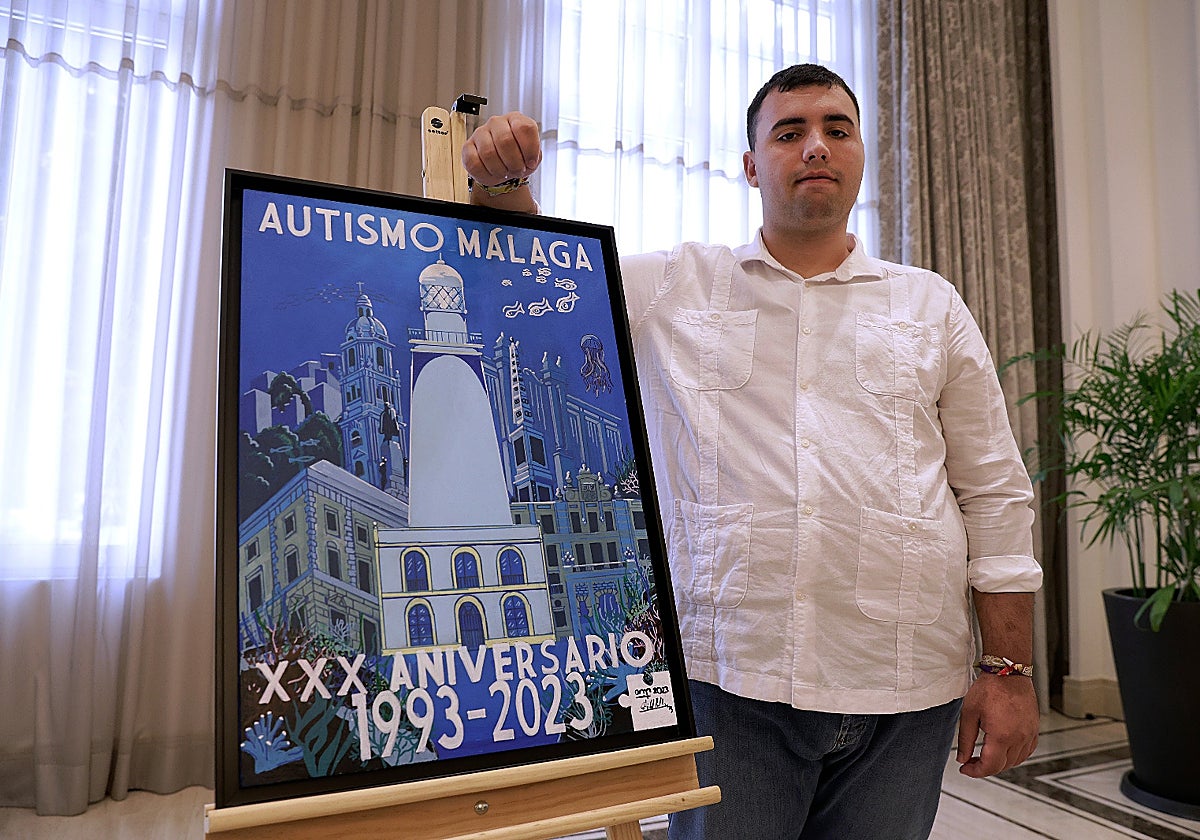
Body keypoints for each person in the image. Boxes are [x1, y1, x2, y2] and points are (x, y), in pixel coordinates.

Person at [462, 64, 1042, 840]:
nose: (816, 146)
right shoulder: (674, 287)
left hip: (905, 685)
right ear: (750, 165)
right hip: (730, 680)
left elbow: (995, 491)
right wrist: (502, 184)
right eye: (789, 132)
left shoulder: (928, 304)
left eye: (837, 129)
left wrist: (1008, 671)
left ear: (861, 154)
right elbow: (536, 289)